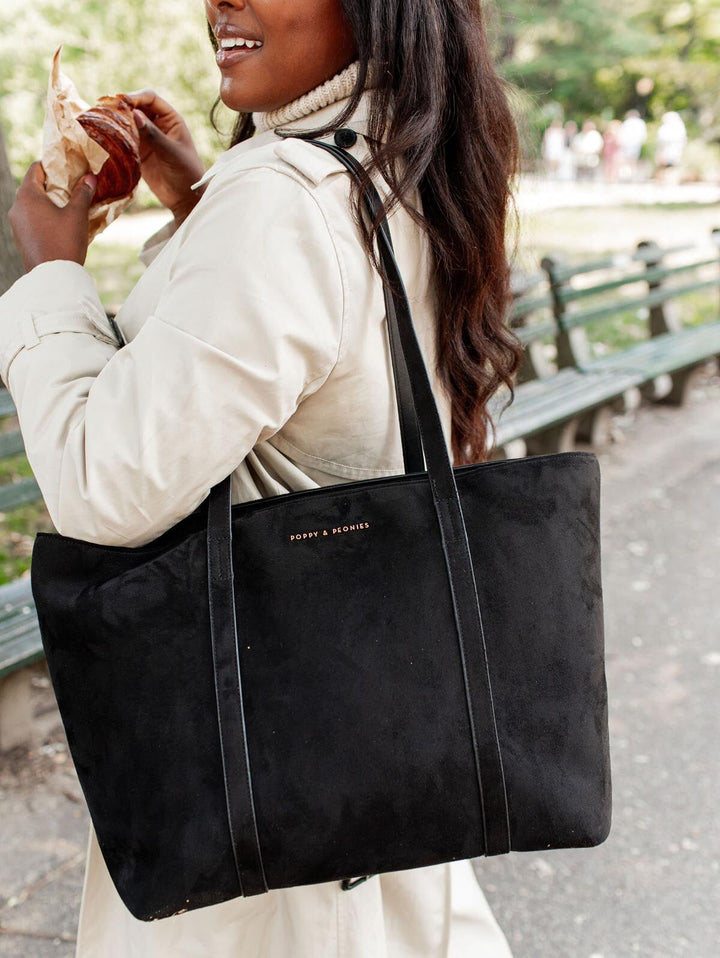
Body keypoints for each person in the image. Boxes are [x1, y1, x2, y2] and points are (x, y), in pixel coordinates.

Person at [1, 0, 521, 955]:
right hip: (374, 743)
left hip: (259, 798)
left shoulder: (284, 198)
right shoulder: (403, 164)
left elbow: (104, 485)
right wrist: (200, 200)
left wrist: (47, 266)